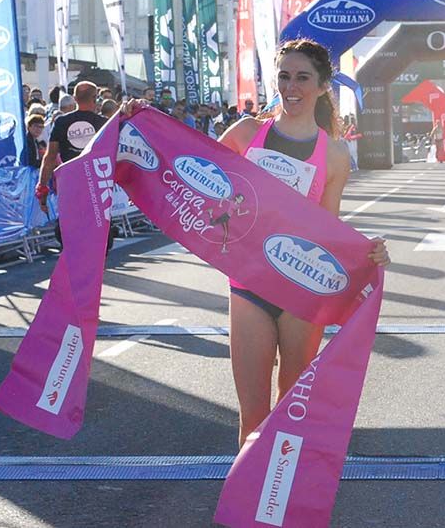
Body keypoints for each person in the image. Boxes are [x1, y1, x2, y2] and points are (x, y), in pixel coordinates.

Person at [123, 39, 389, 446]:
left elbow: (328, 229)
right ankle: (248, 504)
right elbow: (184, 154)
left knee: (290, 408)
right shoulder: (247, 133)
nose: (291, 86)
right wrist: (140, 121)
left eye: (302, 78)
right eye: (284, 76)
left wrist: (367, 253)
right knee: (253, 415)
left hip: (301, 289)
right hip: (249, 286)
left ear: (321, 86)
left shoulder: (333, 155)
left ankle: (280, 496)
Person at [37, 82, 112, 251]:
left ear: (76, 99)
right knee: (99, 232)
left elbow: (49, 157)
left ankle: (76, 262)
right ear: (95, 98)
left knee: (70, 232)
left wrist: (42, 188)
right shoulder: (104, 123)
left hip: (70, 183)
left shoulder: (62, 122)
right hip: (96, 183)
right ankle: (93, 266)